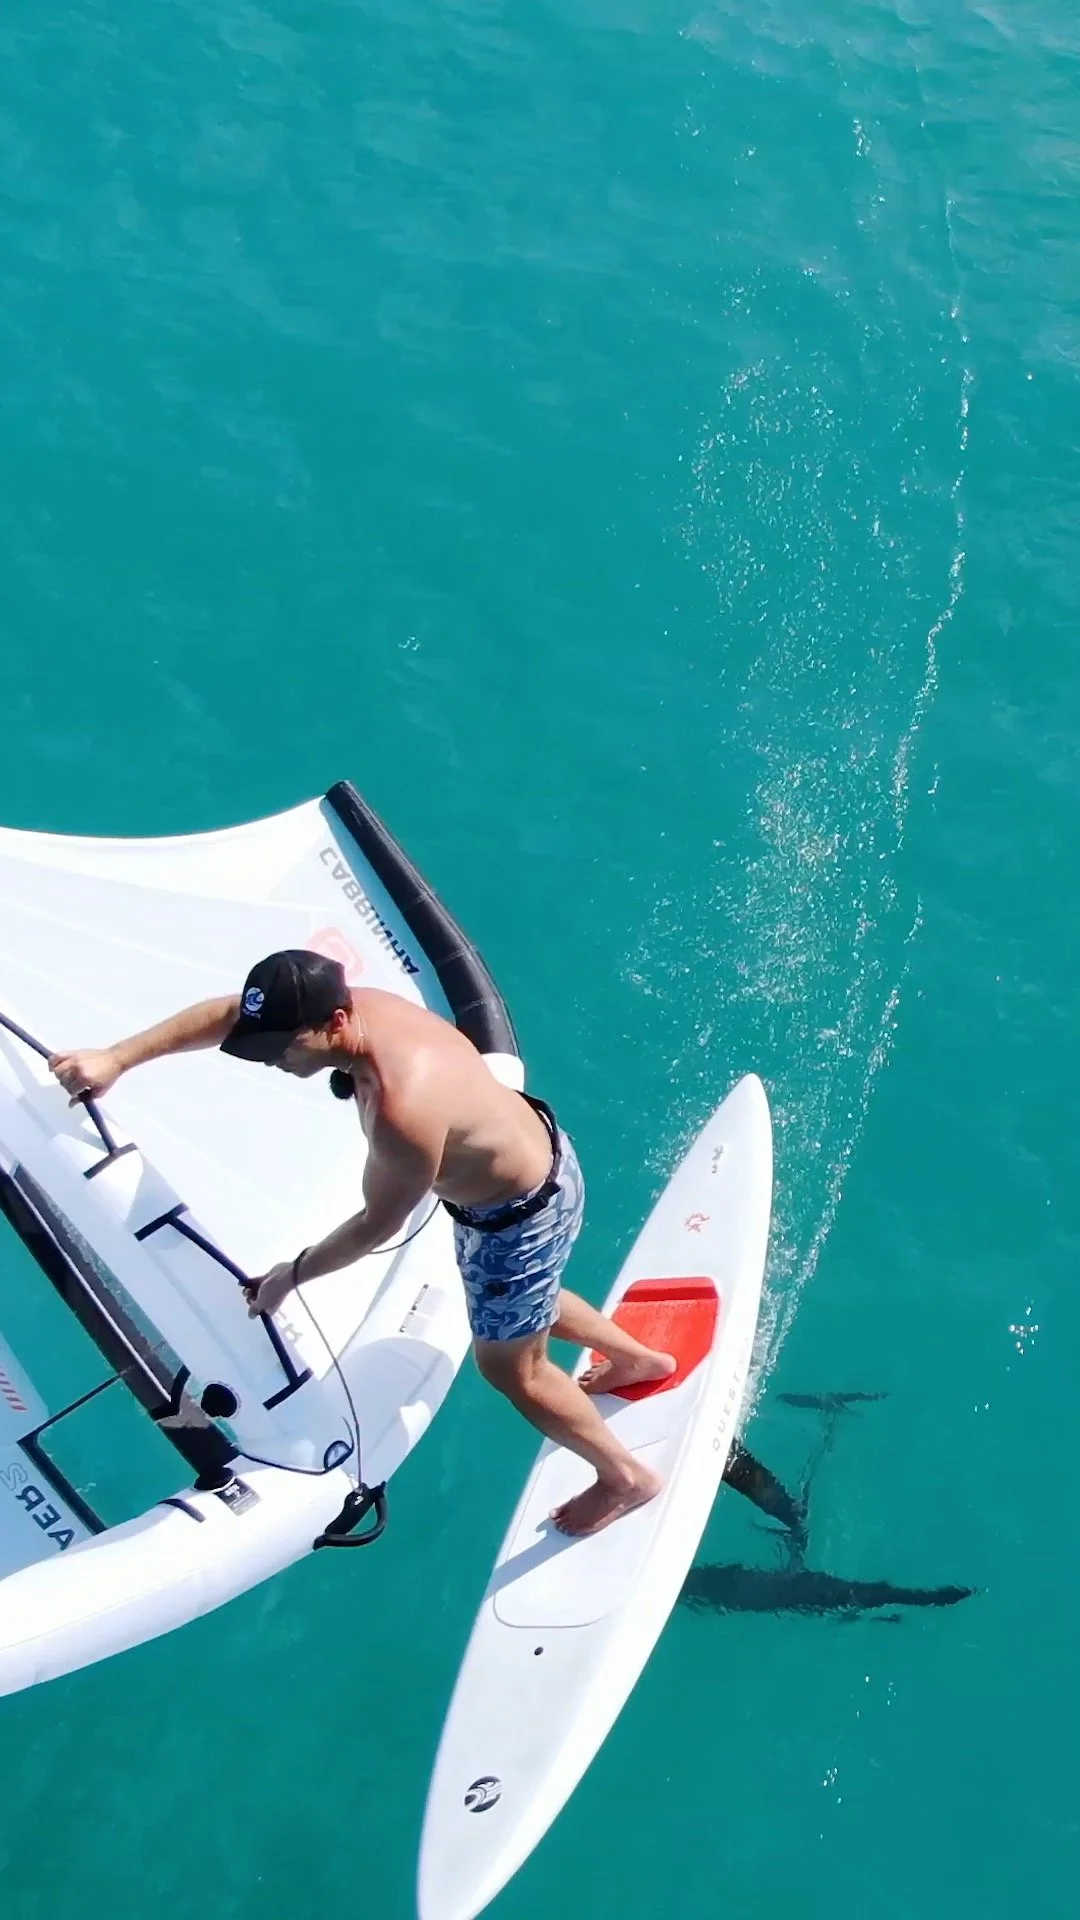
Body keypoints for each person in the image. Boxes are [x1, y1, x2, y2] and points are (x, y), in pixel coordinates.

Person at [49, 949, 675, 1536]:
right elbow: (227, 1014)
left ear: (335, 1023)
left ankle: (625, 1477)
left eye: (281, 1047)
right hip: (539, 1158)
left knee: (511, 1369)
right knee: (516, 1300)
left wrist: (290, 1275)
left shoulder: (402, 1110)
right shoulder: (355, 1004)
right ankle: (638, 1363)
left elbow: (378, 1225)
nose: (270, 1060)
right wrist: (117, 1058)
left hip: (519, 1217)